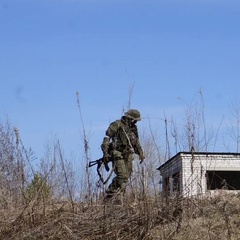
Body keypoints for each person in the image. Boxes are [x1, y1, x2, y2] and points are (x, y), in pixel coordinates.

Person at [101, 109, 145, 197]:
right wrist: (105, 152)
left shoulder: (133, 128)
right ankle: (110, 192)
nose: (135, 122)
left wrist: (140, 153)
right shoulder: (117, 124)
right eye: (135, 120)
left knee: (126, 177)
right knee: (121, 176)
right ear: (130, 118)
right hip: (117, 153)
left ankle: (119, 196)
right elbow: (107, 137)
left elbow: (136, 142)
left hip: (128, 154)